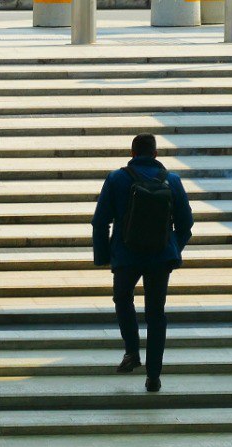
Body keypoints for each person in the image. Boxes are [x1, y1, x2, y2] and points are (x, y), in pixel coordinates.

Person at [91, 134, 194, 392]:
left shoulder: (116, 178)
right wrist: (172, 248)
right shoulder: (172, 180)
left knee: (122, 299)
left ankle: (131, 351)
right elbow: (186, 224)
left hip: (126, 255)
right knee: (156, 314)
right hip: (160, 257)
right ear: (155, 154)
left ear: (132, 153)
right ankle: (154, 376)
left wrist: (104, 256)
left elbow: (100, 221)